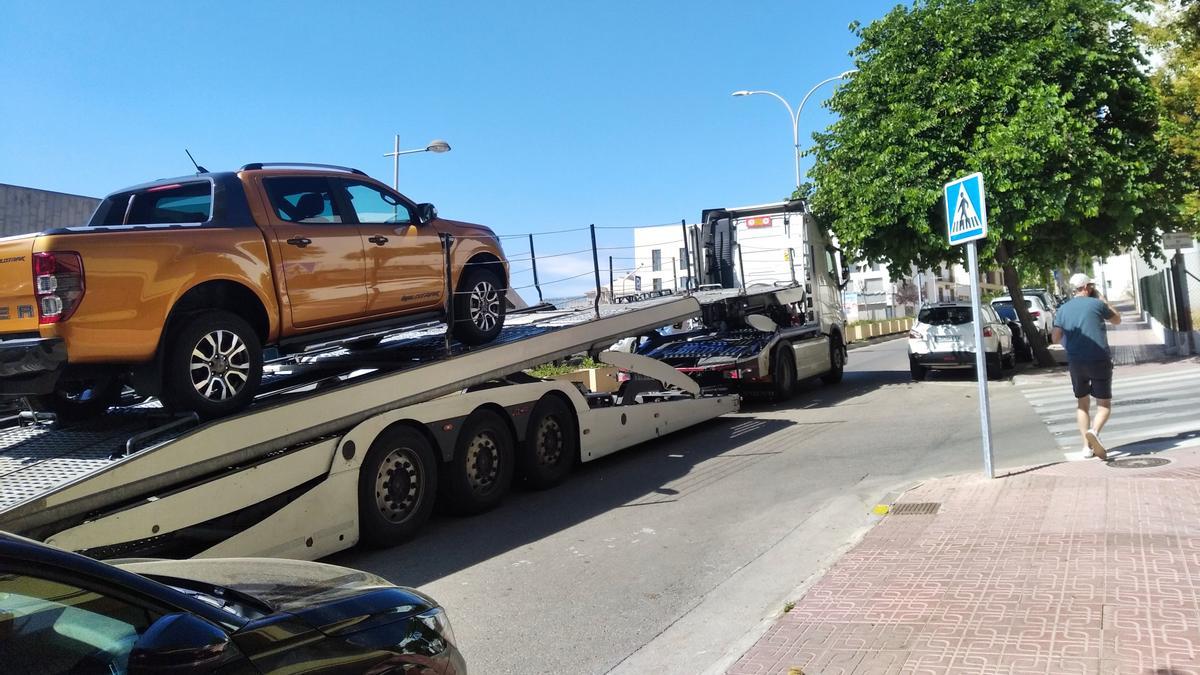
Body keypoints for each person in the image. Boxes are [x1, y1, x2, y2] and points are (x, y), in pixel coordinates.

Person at [1051, 273, 1122, 459]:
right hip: (1099, 358)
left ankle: (1086, 447)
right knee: (1104, 405)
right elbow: (1117, 320)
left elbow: (1055, 337)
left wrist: (1071, 342)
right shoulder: (1097, 305)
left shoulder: (1063, 309)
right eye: (1090, 285)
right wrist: (1104, 301)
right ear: (1086, 287)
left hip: (1076, 361)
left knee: (1082, 403)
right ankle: (1095, 432)